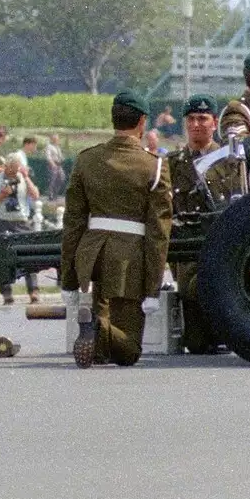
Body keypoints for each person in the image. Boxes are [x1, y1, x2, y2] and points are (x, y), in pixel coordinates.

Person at [61, 90, 172, 368]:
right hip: (129, 258)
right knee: (130, 351)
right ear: (142, 122)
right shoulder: (154, 166)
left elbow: (73, 222)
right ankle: (98, 326)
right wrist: (153, 289)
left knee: (100, 354)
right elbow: (158, 233)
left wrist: (68, 279)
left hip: (92, 254)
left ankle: (95, 329)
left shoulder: (86, 160)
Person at [167, 94, 240, 353]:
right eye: (191, 119)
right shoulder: (172, 164)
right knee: (197, 341)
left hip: (220, 243)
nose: (196, 124)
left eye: (203, 118)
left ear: (213, 123)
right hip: (187, 249)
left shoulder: (230, 161)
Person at [0, 153, 41, 303]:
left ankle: (33, 291)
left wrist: (26, 178)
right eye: (10, 169)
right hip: (2, 221)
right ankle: (6, 293)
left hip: (21, 222)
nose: (13, 172)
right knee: (1, 259)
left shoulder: (22, 178)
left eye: (15, 169)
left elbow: (35, 195)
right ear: (6, 167)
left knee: (29, 257)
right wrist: (2, 195)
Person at [44, 134, 66, 199]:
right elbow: (48, 157)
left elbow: (61, 156)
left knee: (62, 178)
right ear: (52, 139)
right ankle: (51, 195)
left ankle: (55, 193)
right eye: (55, 139)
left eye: (57, 139)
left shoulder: (57, 147)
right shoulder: (49, 146)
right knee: (52, 180)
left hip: (59, 165)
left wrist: (62, 159)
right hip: (53, 165)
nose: (57, 140)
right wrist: (52, 164)